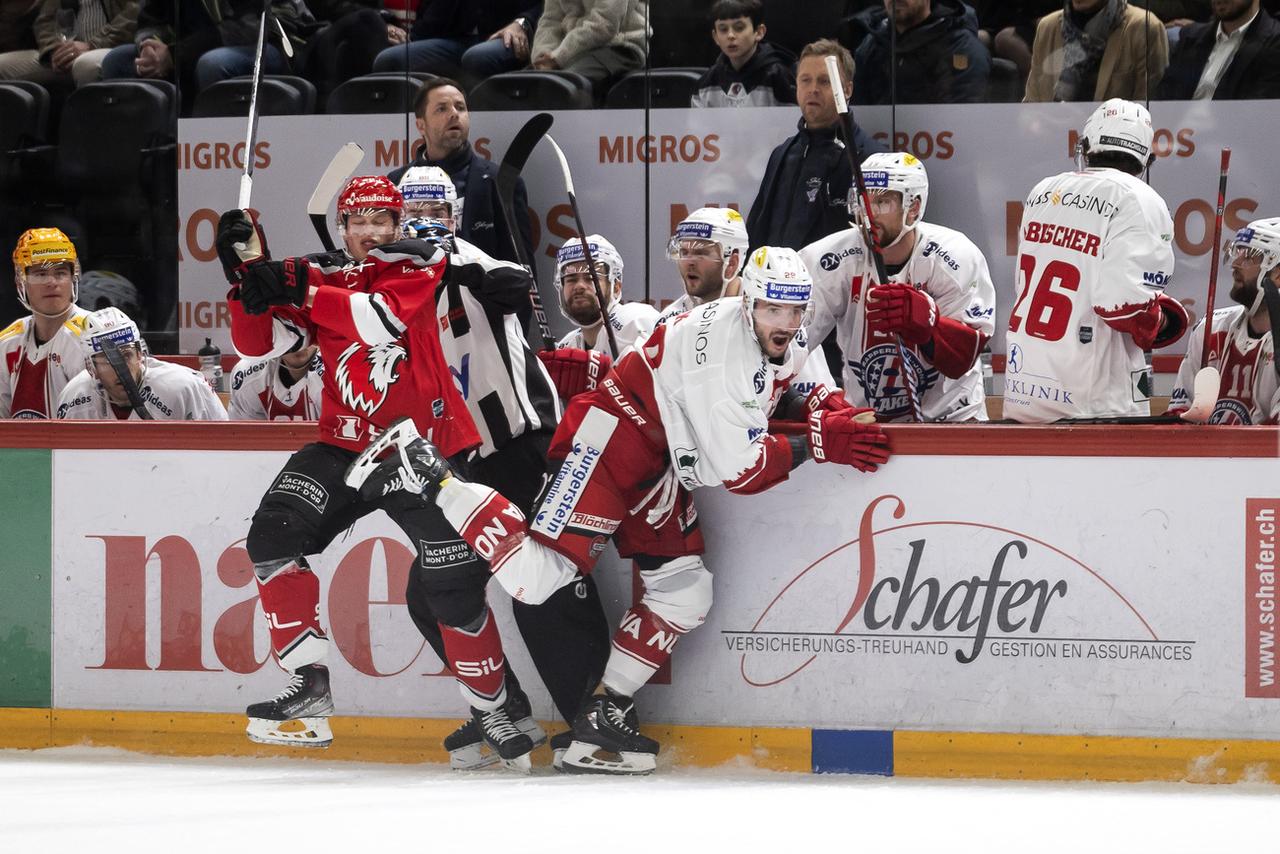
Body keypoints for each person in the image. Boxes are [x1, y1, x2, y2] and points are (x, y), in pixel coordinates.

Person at [347, 246, 892, 775]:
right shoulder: (720, 359)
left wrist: (830, 410)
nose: (786, 320)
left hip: (656, 459)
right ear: (748, 301)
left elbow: (791, 384)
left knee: (684, 590)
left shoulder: (758, 326)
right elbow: (741, 472)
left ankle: (603, 712)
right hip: (608, 439)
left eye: (795, 309)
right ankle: (426, 469)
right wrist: (821, 443)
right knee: (538, 578)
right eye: (774, 308)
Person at [213, 177, 536, 768]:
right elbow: (255, 343)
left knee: (450, 587)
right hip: (344, 447)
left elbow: (378, 321)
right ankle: (309, 685)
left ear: (397, 225)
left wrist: (295, 285)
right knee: (272, 534)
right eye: (356, 222)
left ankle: (496, 708)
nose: (368, 232)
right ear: (342, 229)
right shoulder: (322, 278)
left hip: (423, 452)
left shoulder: (418, 264)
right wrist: (246, 277)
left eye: (379, 221)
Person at [396, 165, 612, 769]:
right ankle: (505, 709)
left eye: (436, 211)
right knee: (429, 591)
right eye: (410, 210)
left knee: (543, 584)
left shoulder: (468, 258)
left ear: (455, 216)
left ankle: (595, 725)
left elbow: (518, 286)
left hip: (521, 446)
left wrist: (447, 254)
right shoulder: (386, 288)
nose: (423, 222)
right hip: (460, 465)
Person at [1004, 98, 1189, 423]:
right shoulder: (1139, 198)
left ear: (1086, 146)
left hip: (1024, 387)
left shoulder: (1043, 191)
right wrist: (1164, 321)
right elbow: (1125, 307)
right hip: (1095, 401)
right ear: (1146, 158)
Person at [800, 152, 996, 422]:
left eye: (882, 202)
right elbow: (790, 345)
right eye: (863, 201)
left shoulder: (955, 257)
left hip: (953, 420)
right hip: (870, 422)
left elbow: (963, 357)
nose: (868, 215)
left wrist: (929, 326)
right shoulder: (828, 259)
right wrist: (813, 399)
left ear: (913, 208)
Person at [746, 38, 886, 251]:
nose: (813, 89)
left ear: (847, 90)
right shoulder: (782, 154)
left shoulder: (870, 160)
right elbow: (757, 230)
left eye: (824, 81)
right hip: (774, 280)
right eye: (805, 80)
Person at [387, 79, 535, 274]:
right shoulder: (395, 183)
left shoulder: (500, 181)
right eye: (441, 109)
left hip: (480, 300)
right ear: (421, 125)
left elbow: (521, 267)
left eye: (460, 107)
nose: (454, 114)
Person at [1168, 218, 1280, 424]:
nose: (1235, 264)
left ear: (1278, 274)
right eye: (1237, 252)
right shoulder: (1210, 328)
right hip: (1206, 454)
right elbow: (1180, 411)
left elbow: (1275, 439)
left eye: (1249, 257)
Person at [535, 234, 658, 401]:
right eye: (571, 279)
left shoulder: (637, 321)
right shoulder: (566, 346)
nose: (579, 286)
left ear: (616, 287)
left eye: (590, 277)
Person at [56, 307, 227, 420]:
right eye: (107, 361)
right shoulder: (74, 398)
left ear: (140, 354)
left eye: (126, 356)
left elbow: (224, 446)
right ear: (92, 368)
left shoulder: (185, 387)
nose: (120, 369)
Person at [2, 228, 91, 419]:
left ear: (73, 277)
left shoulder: (93, 337)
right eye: (40, 274)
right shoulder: (7, 342)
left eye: (60, 273)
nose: (52, 282)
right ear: (21, 281)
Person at [371, 0, 540, 89]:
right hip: (457, 39)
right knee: (390, 60)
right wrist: (410, 37)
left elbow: (549, 6)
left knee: (477, 58)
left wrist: (523, 23)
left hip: (509, 33)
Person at [851, 0, 992, 104]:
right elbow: (858, 116)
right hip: (878, 140)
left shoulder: (959, 47)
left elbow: (962, 124)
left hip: (940, 140)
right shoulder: (871, 46)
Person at [1024, 0, 1169, 101]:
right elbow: (1032, 103)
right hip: (1054, 137)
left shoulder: (1144, 28)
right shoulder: (1048, 27)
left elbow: (1150, 110)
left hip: (1116, 140)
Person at [1155, 0, 1280, 99]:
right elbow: (1164, 97)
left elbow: (1259, 113)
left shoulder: (1274, 43)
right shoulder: (1190, 36)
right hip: (1177, 128)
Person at [0, 0, 139, 87]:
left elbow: (133, 16)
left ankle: (90, 132)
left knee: (85, 65)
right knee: (2, 65)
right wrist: (54, 49)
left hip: (112, 48)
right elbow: (45, 20)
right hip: (67, 48)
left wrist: (93, 45)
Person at [530, 0, 648, 99]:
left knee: (566, 85)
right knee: (527, 84)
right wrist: (542, 56)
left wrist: (558, 57)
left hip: (621, 44)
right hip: (570, 50)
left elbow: (604, 25)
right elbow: (550, 20)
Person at [690, 0, 796, 108]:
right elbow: (696, 124)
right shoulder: (706, 83)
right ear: (716, 37)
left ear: (759, 32)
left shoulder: (779, 76)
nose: (730, 35)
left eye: (739, 28)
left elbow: (793, 122)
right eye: (723, 29)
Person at [227, 343, 324, 421]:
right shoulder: (248, 374)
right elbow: (245, 440)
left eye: (306, 329)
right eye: (290, 329)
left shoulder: (332, 374)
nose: (300, 344)